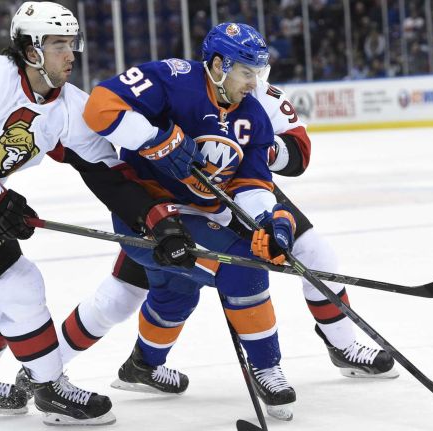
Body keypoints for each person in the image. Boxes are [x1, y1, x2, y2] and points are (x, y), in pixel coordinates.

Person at [0, 1, 192, 426]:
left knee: (0, 289)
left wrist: (153, 214)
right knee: (20, 285)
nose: (70, 54)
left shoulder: (68, 106)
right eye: (58, 45)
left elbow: (105, 172)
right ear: (31, 51)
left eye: (72, 43)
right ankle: (49, 389)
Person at [79, 22, 298, 421]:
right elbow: (99, 107)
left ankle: (142, 367)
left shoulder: (253, 115)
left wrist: (267, 222)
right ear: (218, 64)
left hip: (197, 218)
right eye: (247, 72)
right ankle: (266, 366)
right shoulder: (172, 79)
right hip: (147, 218)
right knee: (245, 267)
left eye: (259, 73)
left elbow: (252, 181)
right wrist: (154, 138)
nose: (255, 83)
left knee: (176, 293)